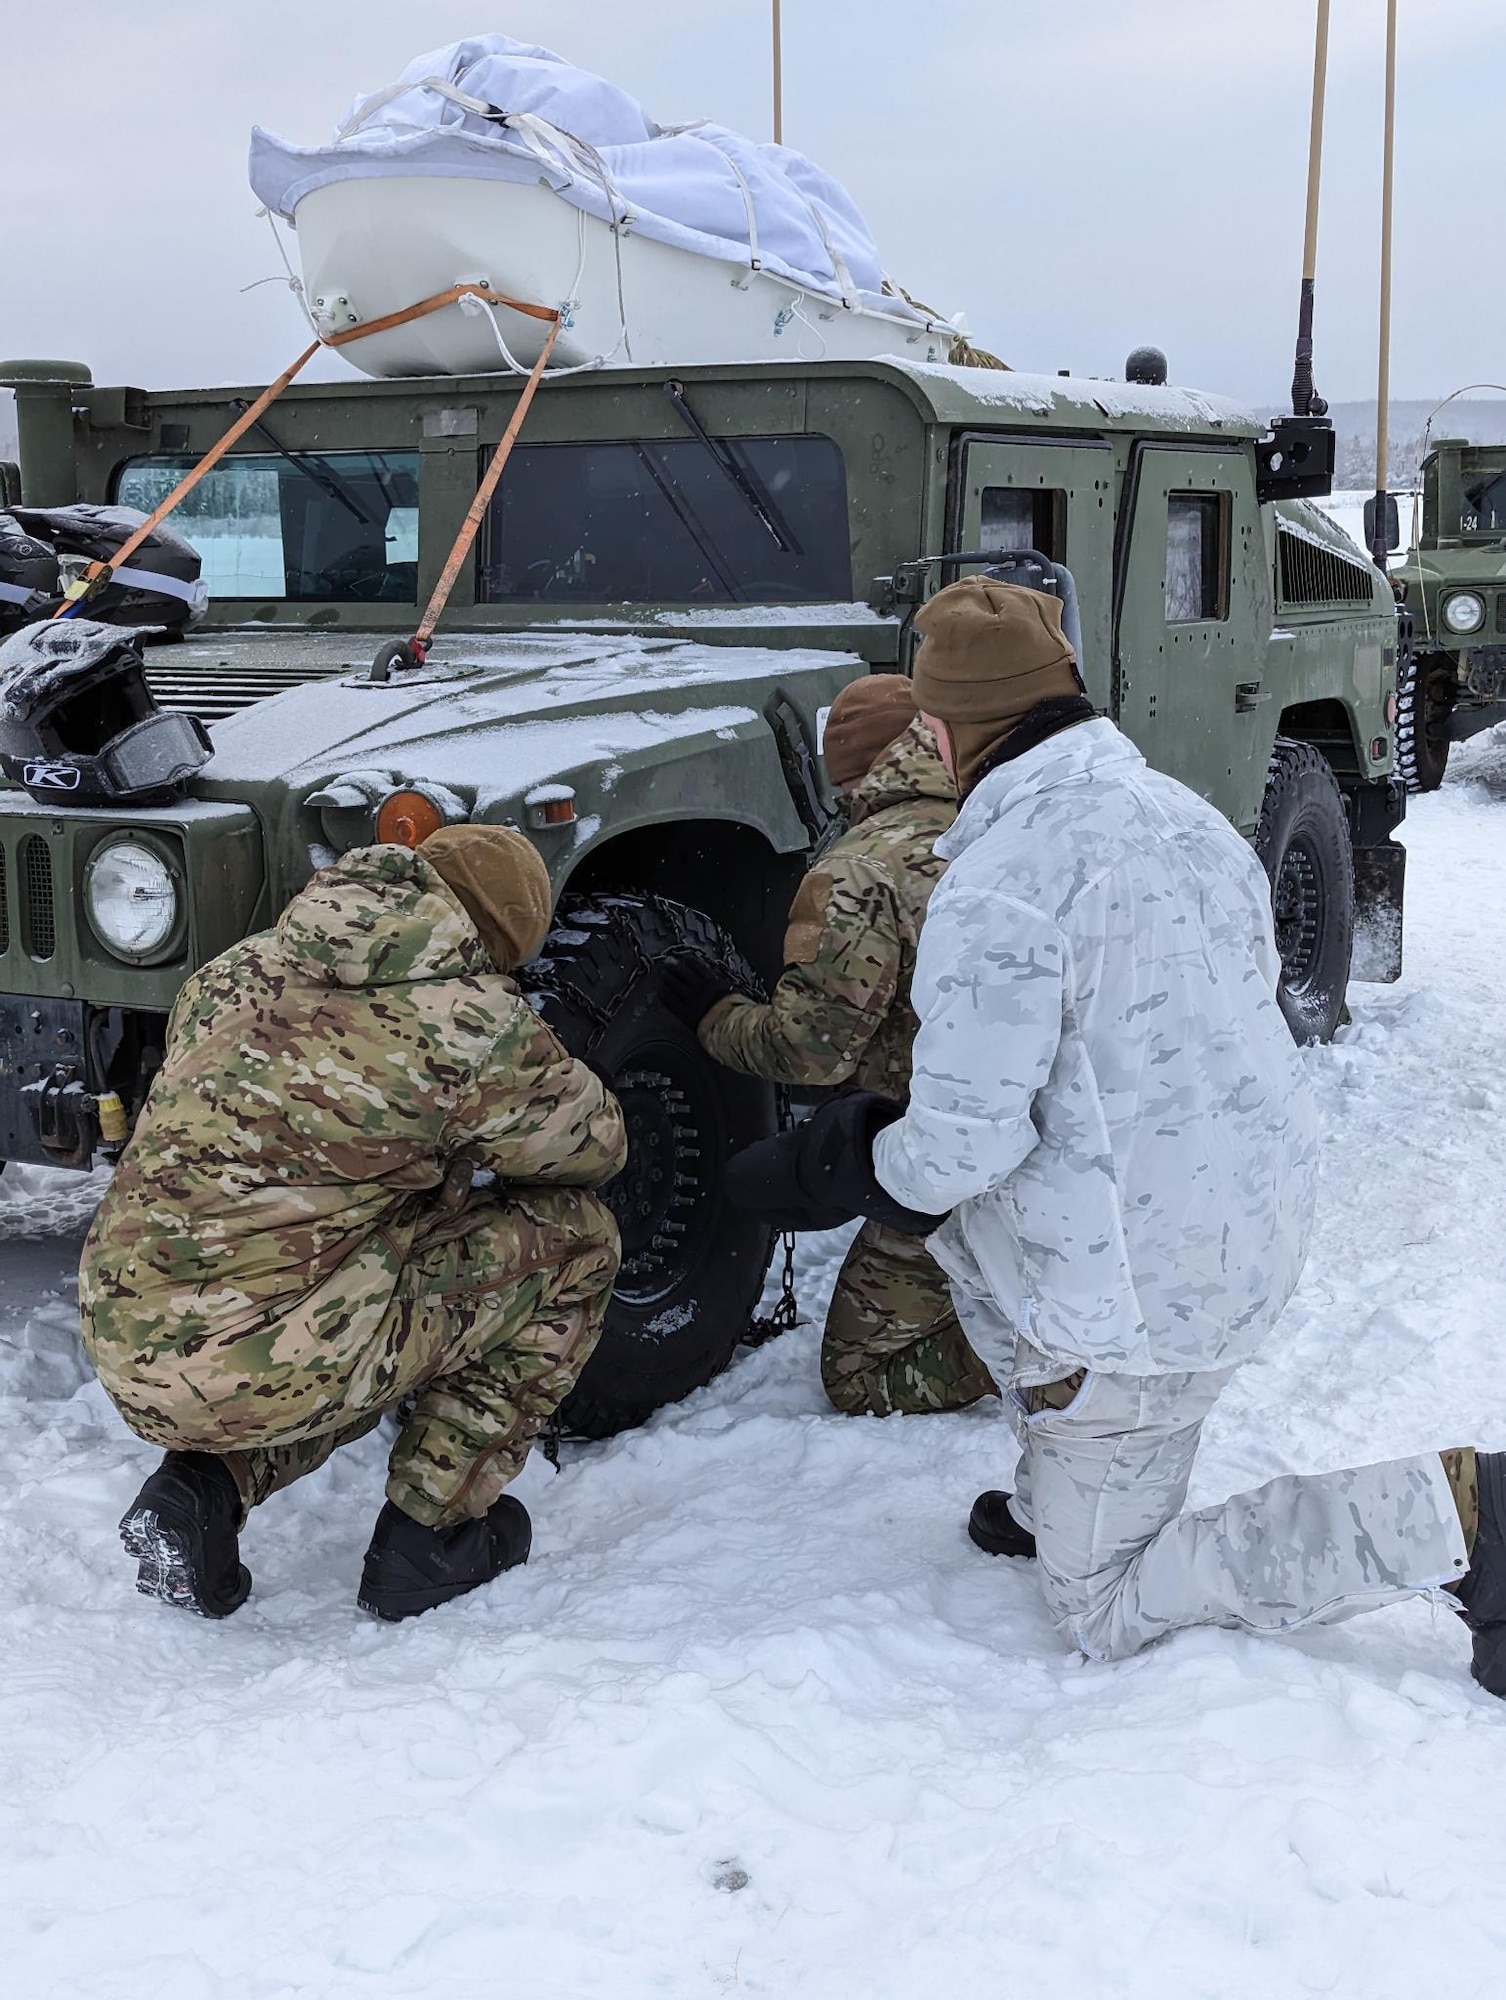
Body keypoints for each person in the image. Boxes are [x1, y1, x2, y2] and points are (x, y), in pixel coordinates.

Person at [733, 576, 1506, 1696]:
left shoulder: (1000, 883)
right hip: (1239, 1218)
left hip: (1153, 1297)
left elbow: (960, 1150)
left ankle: (1468, 1517)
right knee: (968, 1243)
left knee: (1102, 1602)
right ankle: (1064, 1479)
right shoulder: (1185, 815)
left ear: (941, 730)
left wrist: (840, 1161)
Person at [79, 826, 625, 1623]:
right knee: (580, 1241)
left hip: (124, 1329)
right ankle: (430, 1538)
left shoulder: (236, 970)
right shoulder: (472, 1022)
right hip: (269, 1349)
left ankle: (199, 1492)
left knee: (352, 1296)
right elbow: (594, 1146)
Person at [659, 674, 996, 1417]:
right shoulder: (1011, 827)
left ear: (845, 771)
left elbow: (812, 1051)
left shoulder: (859, 867)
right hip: (1057, 1139)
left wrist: (717, 1019)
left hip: (953, 1170)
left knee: (863, 1374)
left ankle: (1041, 1351)